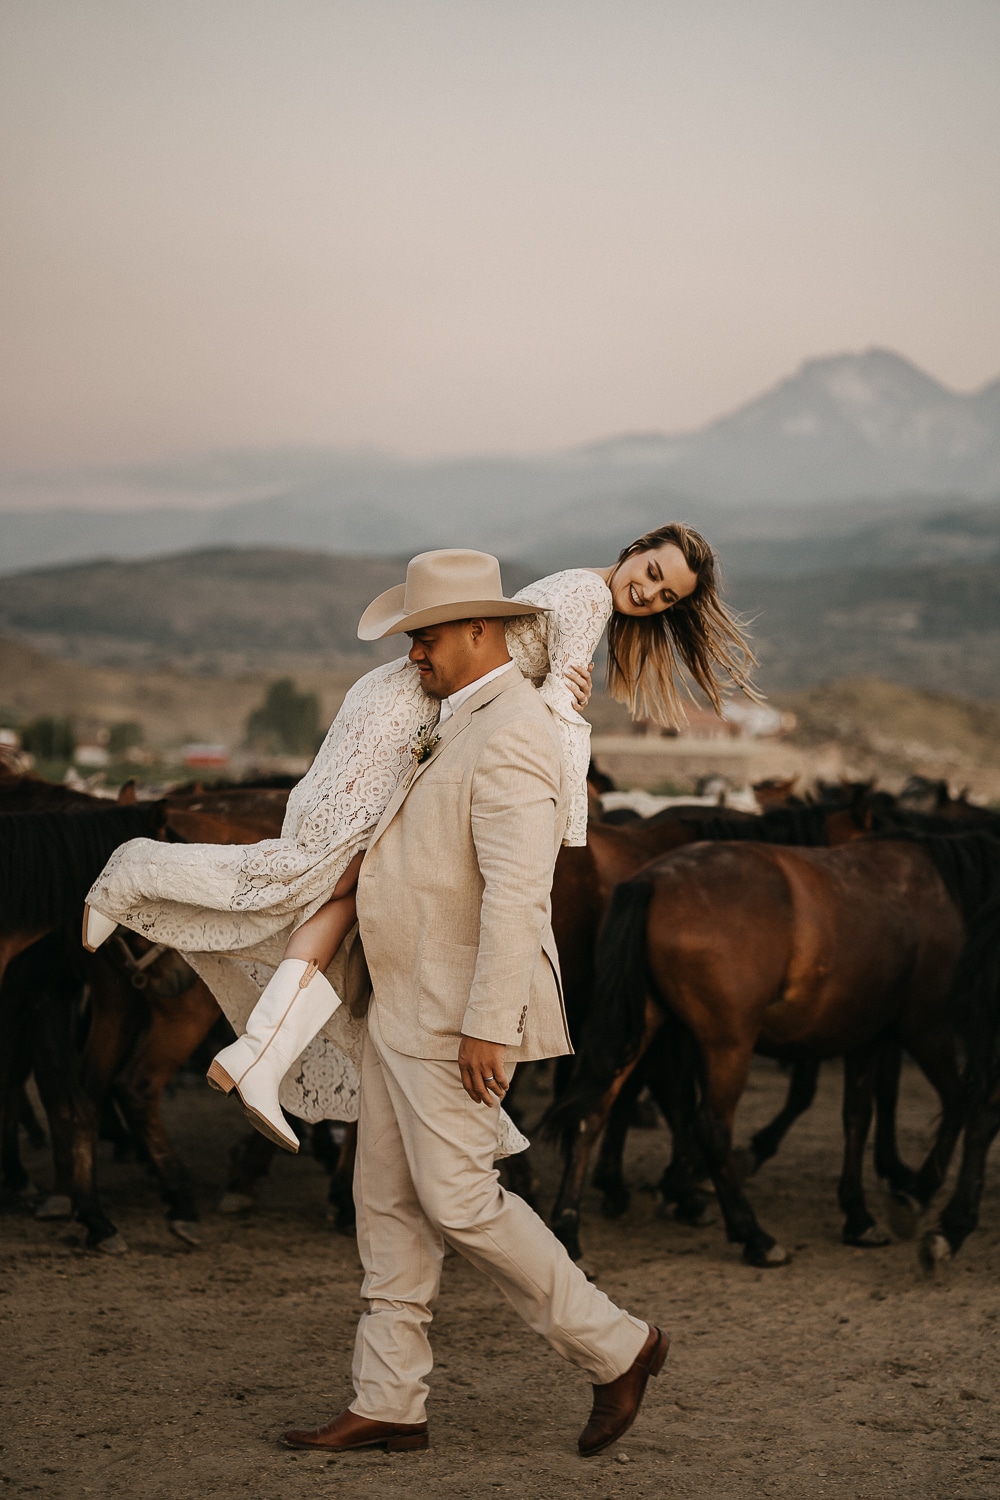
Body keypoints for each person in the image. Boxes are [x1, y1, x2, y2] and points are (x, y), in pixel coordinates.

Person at [84, 524, 756, 1153]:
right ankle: (136, 869)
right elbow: (547, 714)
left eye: (666, 596)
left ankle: (263, 1050)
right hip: (406, 714)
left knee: (353, 891)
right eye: (652, 573)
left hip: (427, 725)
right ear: (636, 549)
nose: (649, 594)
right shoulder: (585, 596)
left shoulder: (586, 597)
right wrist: (559, 794)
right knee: (308, 870)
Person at [281, 547, 667, 1456]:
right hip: (396, 998)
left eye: (426, 637)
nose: (414, 654)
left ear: (481, 631)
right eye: (413, 638)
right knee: (385, 1203)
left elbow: (517, 894)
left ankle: (618, 1345)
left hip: (457, 1016)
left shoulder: (517, 730)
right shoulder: (451, 721)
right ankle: (389, 1400)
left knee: (458, 1202)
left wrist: (492, 1025)